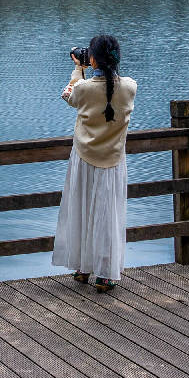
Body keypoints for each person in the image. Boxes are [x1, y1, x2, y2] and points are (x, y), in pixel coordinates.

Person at [52, 33, 137, 291]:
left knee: (82, 209)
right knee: (109, 213)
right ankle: (106, 273)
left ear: (93, 59)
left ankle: (83, 267)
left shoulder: (84, 89)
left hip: (84, 158)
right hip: (113, 160)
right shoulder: (130, 87)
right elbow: (111, 88)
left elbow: (70, 95)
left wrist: (79, 69)